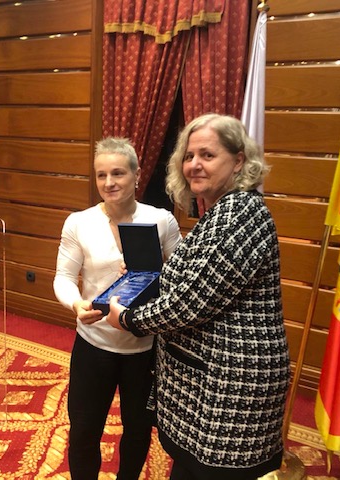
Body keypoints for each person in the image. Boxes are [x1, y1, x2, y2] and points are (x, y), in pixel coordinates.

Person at [100, 114, 291, 479]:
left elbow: (192, 301)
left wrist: (128, 318)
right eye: (189, 156)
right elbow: (200, 281)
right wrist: (152, 278)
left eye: (207, 154)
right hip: (211, 381)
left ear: (238, 161)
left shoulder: (240, 213)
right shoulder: (221, 210)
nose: (194, 165)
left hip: (229, 388)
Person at [53, 137, 181, 480]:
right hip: (93, 344)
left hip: (144, 348)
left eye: (118, 173)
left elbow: (181, 280)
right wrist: (76, 303)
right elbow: (63, 278)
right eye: (101, 175)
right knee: (84, 431)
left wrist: (157, 274)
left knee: (137, 430)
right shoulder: (79, 222)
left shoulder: (162, 220)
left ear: (137, 175)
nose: (109, 182)